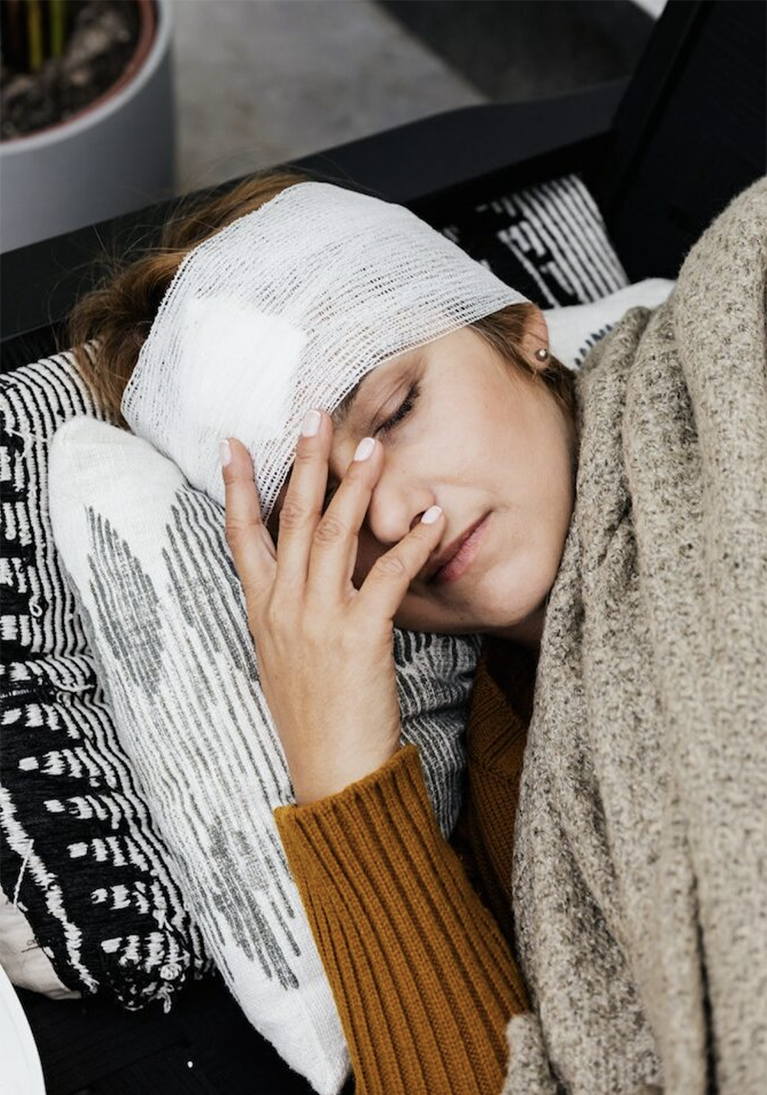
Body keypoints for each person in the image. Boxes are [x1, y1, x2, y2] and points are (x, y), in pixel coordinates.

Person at [65, 166, 566, 1094]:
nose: (389, 516)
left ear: (519, 327)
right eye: (319, 508)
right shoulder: (515, 790)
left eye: (398, 409)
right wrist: (339, 780)